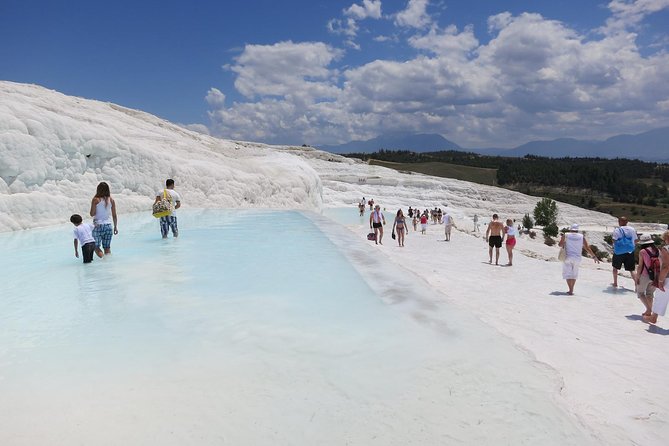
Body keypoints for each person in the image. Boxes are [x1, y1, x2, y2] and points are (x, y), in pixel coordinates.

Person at [558, 224, 600, 295]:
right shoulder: (581, 236)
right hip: (577, 258)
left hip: (568, 257)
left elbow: (560, 245)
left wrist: (564, 242)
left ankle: (570, 289)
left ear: (571, 229)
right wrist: (594, 256)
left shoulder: (566, 235)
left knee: (568, 274)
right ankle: (572, 290)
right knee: (574, 274)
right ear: (577, 230)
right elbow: (587, 248)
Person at [644, 230, 669, 324]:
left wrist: (660, 280)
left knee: (660, 297)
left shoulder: (666, 249)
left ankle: (653, 317)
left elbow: (666, 266)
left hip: (668, 278)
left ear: (666, 238)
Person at [90, 181, 118, 255]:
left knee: (96, 247)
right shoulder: (111, 200)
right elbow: (114, 215)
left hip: (98, 225)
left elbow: (92, 214)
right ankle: (107, 263)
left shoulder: (96, 199)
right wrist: (115, 227)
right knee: (107, 248)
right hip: (108, 226)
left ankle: (102, 260)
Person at [635, 234, 660, 318]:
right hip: (655, 275)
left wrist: (637, 277)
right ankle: (649, 311)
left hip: (645, 275)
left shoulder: (642, 252)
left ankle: (649, 309)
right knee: (650, 293)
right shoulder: (657, 250)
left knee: (640, 293)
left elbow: (640, 266)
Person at [611, 216, 638, 288]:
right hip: (630, 251)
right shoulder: (632, 229)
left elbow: (614, 240)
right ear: (627, 222)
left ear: (619, 222)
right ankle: (636, 285)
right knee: (632, 269)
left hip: (619, 252)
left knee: (615, 268)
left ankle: (615, 283)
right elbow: (635, 240)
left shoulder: (617, 230)